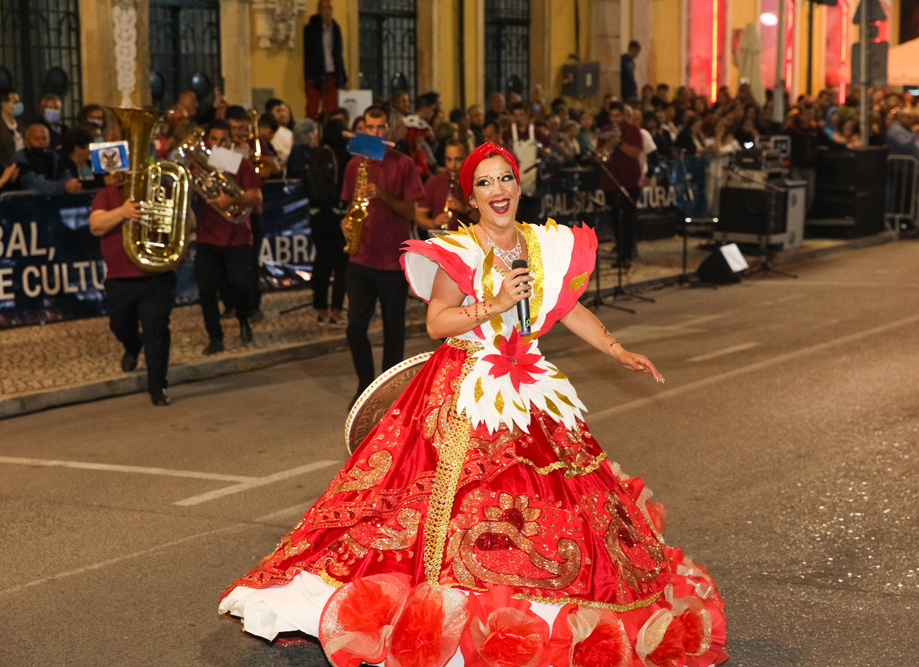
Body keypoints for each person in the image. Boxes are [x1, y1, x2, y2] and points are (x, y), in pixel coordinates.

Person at [218, 143, 728, 667]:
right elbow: (438, 322)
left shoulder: (539, 244)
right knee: (449, 501)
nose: (498, 191)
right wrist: (496, 304)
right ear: (471, 197)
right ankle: (455, 612)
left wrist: (618, 350)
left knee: (553, 497)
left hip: (527, 382)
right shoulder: (459, 252)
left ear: (519, 185)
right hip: (466, 385)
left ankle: (541, 609)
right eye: (484, 183)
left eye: (504, 178)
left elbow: (568, 306)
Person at [339, 105, 424, 404]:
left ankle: (389, 394)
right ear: (362, 129)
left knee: (393, 329)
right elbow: (351, 207)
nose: (375, 132)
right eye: (369, 127)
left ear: (388, 129)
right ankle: (365, 385)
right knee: (355, 327)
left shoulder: (403, 163)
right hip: (360, 258)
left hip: (392, 259)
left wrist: (383, 196)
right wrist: (346, 222)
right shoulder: (354, 165)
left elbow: (410, 211)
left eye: (380, 127)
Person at [89, 172, 184, 406]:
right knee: (119, 324)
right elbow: (96, 226)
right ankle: (133, 345)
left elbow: (186, 220)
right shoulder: (106, 194)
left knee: (156, 330)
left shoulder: (160, 191)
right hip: (120, 279)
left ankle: (157, 386)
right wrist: (123, 212)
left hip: (157, 276)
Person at [193, 120, 263, 355]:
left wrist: (231, 201)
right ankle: (215, 336)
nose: (219, 145)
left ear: (231, 143)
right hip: (206, 236)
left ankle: (243, 318)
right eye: (215, 140)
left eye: (224, 140)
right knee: (205, 290)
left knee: (240, 284)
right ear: (207, 141)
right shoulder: (198, 166)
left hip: (238, 235)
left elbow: (256, 197)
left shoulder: (240, 164)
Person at [305, 117, 350, 326]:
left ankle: (320, 309)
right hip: (335, 214)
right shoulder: (342, 154)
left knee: (321, 262)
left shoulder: (315, 153)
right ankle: (336, 311)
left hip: (316, 215)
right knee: (340, 265)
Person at [600, 102, 643, 267]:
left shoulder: (633, 131)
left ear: (625, 115)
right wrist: (608, 143)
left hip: (629, 183)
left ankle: (627, 255)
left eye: (618, 115)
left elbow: (635, 153)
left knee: (628, 219)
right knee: (615, 219)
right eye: (612, 116)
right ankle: (620, 252)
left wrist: (619, 143)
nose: (615, 119)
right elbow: (600, 154)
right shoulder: (605, 131)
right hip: (610, 182)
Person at [415, 139, 474, 233]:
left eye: (458, 159)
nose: (453, 165)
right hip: (441, 240)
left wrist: (465, 210)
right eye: (449, 160)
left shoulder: (475, 183)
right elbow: (419, 216)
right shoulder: (433, 183)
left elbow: (486, 218)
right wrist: (433, 223)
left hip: (469, 241)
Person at [303, 0, 346, 120]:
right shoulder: (311, 28)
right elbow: (309, 52)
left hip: (331, 72)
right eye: (324, 8)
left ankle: (330, 132)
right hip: (315, 73)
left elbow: (338, 53)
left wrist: (343, 77)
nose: (327, 12)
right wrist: (309, 75)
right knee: (312, 108)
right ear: (319, 11)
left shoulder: (335, 28)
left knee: (332, 109)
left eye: (330, 8)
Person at [13, 124, 83, 196]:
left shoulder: (53, 156)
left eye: (44, 139)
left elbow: (66, 176)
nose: (41, 143)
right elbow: (33, 184)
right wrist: (63, 186)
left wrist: (73, 184)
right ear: (26, 142)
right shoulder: (20, 157)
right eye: (37, 139)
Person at [0, 88, 26, 167]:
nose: (19, 104)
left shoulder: (21, 124)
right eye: (15, 102)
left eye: (19, 101)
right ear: (4, 104)